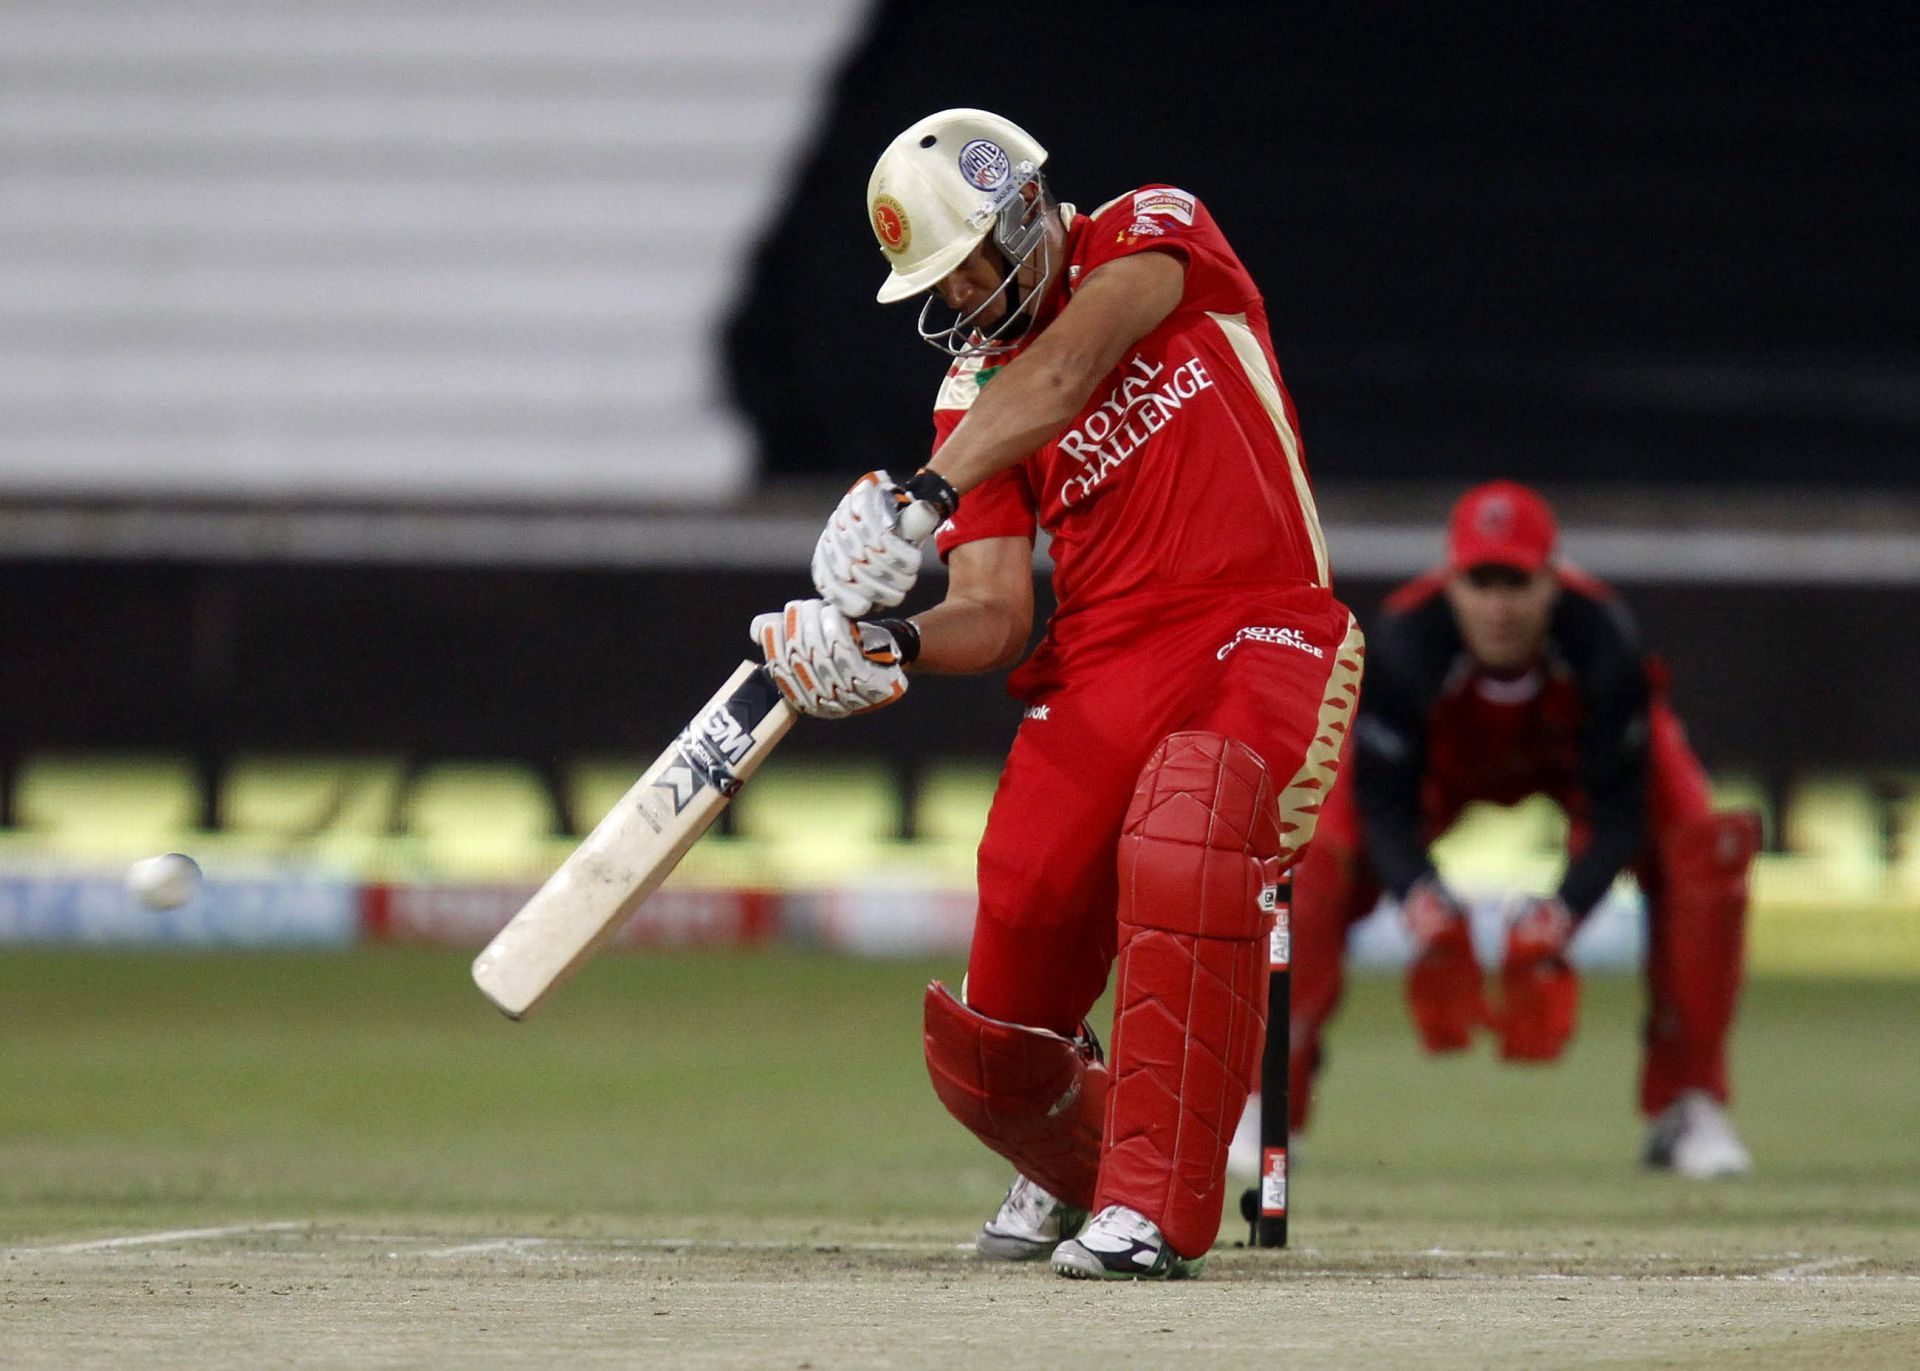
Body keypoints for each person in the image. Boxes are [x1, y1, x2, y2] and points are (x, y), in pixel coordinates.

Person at [749, 108, 1363, 1278]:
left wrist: (923, 493)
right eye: (945, 283)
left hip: (1261, 623)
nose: (970, 298)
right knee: (994, 1038)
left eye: (975, 260)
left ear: (1024, 206)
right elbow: (994, 612)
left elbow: (1072, 366)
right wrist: (887, 645)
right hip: (1101, 666)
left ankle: (1151, 1213)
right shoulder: (971, 397)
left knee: (1189, 823)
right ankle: (1074, 1147)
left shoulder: (1155, 231)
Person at [1279, 480, 1759, 1178]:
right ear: (1451, 580)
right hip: (1445, 771)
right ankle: (1266, 1106)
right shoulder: (1406, 639)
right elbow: (1380, 801)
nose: (1499, 605)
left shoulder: (1601, 636)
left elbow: (1623, 811)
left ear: (1552, 580)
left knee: (1707, 848)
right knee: (1311, 856)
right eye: (1481, 581)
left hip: (1570, 765)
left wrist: (1563, 915)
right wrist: (1423, 898)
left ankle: (1688, 1102)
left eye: (1517, 582)